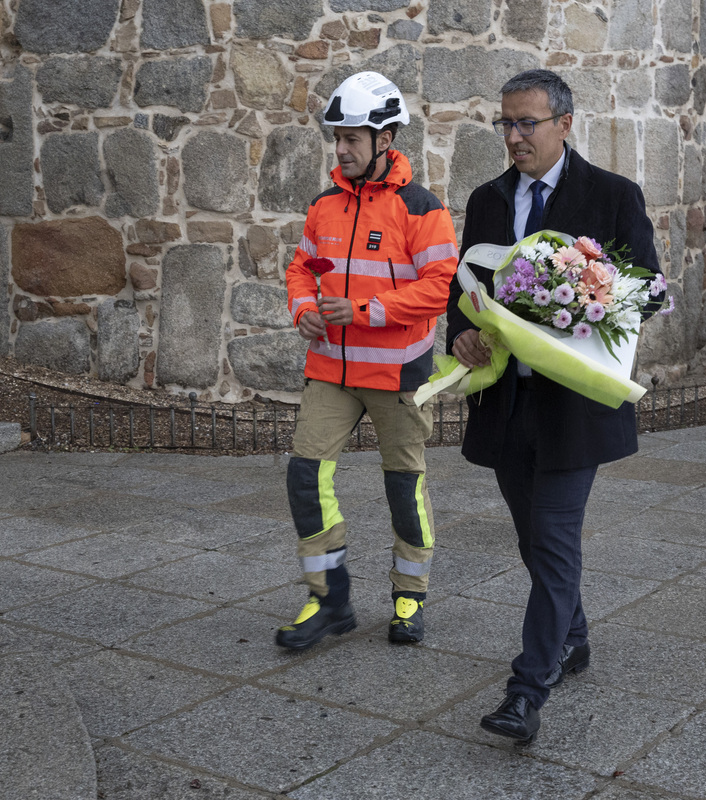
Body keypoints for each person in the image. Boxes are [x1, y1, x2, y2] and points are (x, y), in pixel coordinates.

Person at [446, 69, 662, 744]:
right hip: (508, 407)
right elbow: (465, 292)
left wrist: (587, 304)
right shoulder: (485, 201)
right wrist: (462, 333)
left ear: (565, 124)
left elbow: (649, 290)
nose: (513, 137)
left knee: (554, 537)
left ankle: (526, 688)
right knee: (529, 537)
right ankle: (573, 637)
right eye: (505, 124)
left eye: (526, 123)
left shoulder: (612, 195)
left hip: (575, 407)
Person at [276, 72, 459, 650]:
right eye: (338, 138)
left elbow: (440, 288)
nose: (342, 149)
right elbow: (302, 268)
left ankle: (410, 593)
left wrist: (363, 311)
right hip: (330, 368)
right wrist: (302, 306)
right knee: (306, 476)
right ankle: (329, 597)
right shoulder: (323, 205)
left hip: (397, 373)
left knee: (403, 487)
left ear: (386, 140)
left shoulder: (423, 210)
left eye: (353, 137)